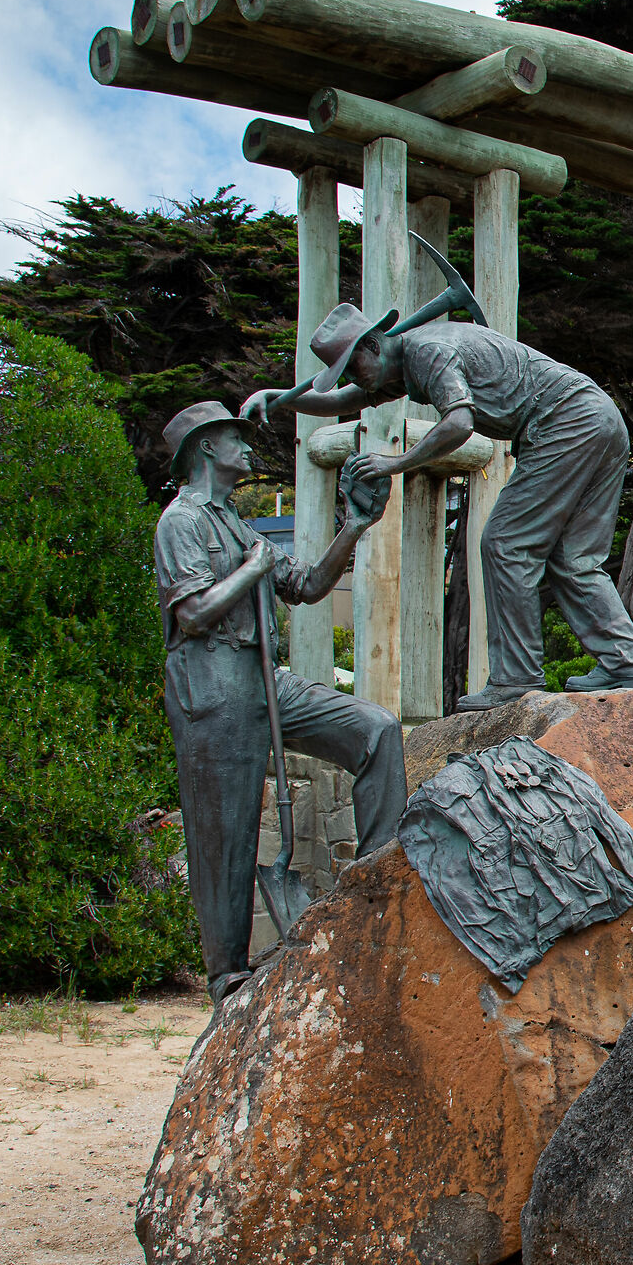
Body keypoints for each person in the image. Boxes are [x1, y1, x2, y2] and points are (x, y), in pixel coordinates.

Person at [243, 303, 633, 711]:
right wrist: (276, 399)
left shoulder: (427, 352)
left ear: (372, 344)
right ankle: (624, 664)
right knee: (573, 558)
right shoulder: (401, 361)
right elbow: (341, 400)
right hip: (599, 419)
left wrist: (396, 463)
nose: (353, 380)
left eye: (353, 367)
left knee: (505, 544)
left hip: (567, 421)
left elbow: (459, 424)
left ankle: (516, 678)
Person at [155, 401, 404, 1001]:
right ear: (205, 448)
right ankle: (227, 975)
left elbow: (311, 585)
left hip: (265, 676)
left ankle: (375, 888)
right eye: (233, 439)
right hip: (212, 685)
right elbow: (190, 615)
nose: (246, 447)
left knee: (375, 730)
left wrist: (354, 525)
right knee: (225, 834)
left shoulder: (237, 526)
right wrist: (251, 571)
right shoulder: (180, 521)